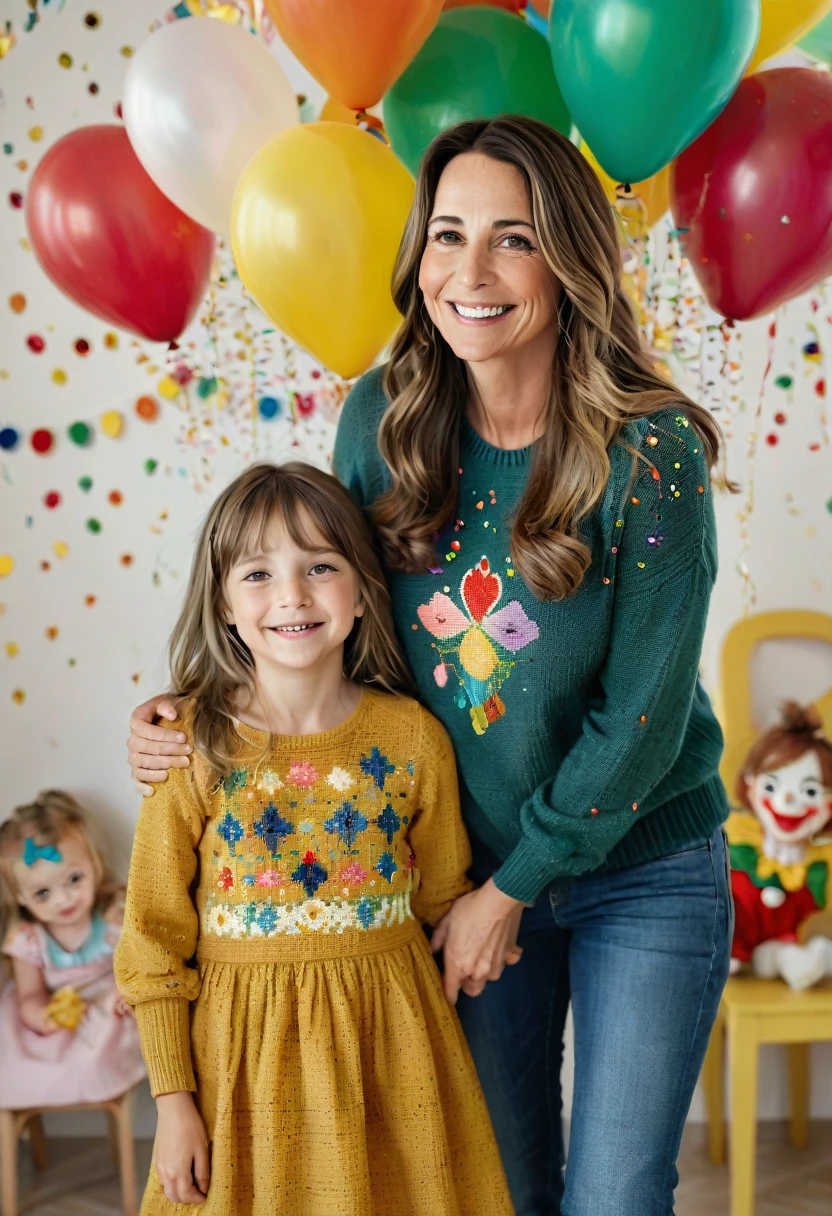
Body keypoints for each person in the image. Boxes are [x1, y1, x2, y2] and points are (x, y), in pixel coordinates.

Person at [127, 116, 733, 1216]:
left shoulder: (653, 452)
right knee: (494, 1184)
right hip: (452, 872)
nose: (470, 271)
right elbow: (316, 612)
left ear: (569, 256)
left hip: (635, 869)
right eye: (447, 234)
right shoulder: (385, 419)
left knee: (614, 1192)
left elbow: (642, 716)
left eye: (512, 238)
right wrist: (191, 711)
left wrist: (511, 889)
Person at [115, 462, 513, 1216]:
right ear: (224, 605)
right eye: (258, 573)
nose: (292, 595)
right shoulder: (189, 745)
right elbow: (153, 944)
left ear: (361, 590)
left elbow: (441, 899)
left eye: (320, 567)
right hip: (242, 1072)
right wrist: (172, 1106)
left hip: (392, 1060)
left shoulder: (413, 740)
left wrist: (492, 919)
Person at [0, 790, 145, 1108]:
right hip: (59, 1018)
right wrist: (41, 1014)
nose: (63, 899)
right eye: (42, 893)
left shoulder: (113, 919)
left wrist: (127, 992)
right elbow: (29, 995)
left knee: (106, 1033)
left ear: (93, 864)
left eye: (74, 879)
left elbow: (138, 965)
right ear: (21, 898)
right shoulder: (28, 940)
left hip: (105, 1015)